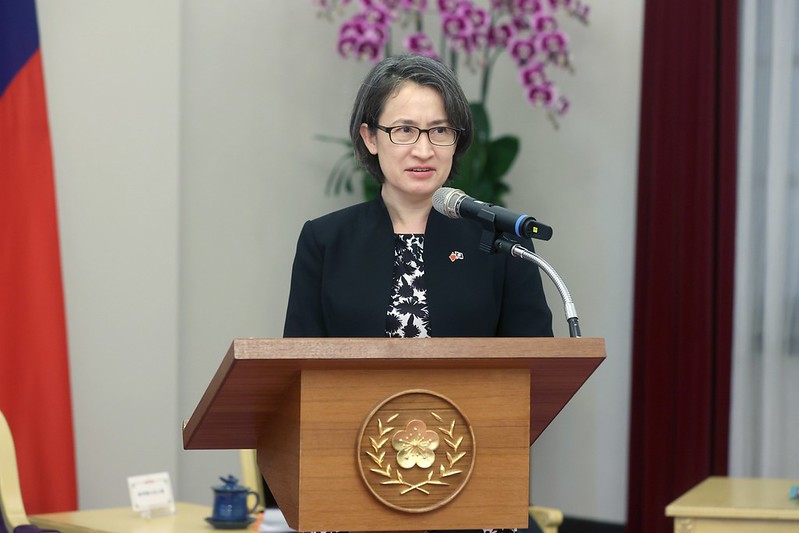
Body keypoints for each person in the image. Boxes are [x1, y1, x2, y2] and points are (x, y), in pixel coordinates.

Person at [282, 54, 551, 533]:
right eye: (404, 130)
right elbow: (297, 380)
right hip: (353, 487)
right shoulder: (325, 241)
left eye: (439, 130)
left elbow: (537, 374)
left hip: (475, 485)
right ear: (370, 138)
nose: (423, 149)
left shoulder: (499, 243)